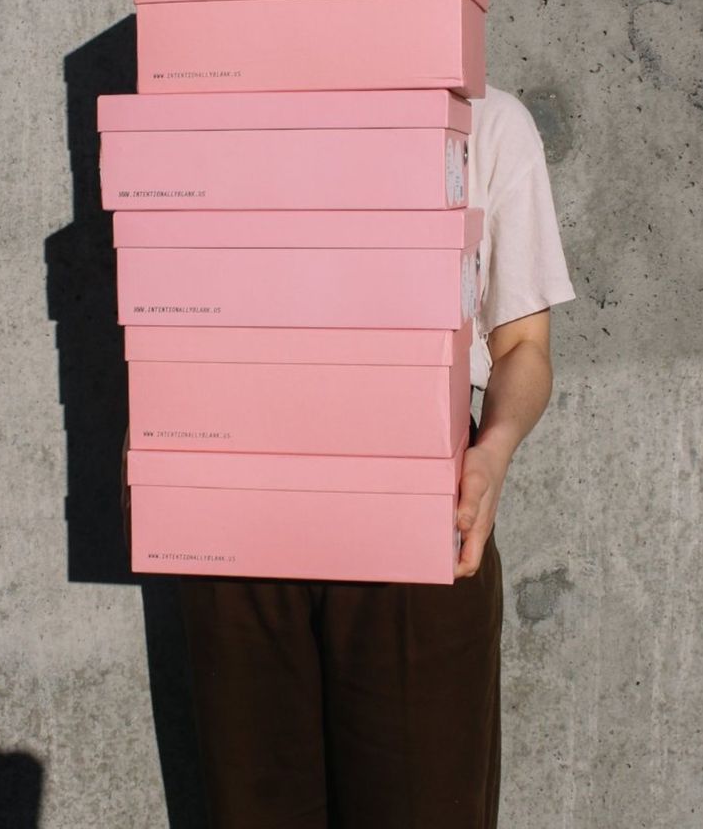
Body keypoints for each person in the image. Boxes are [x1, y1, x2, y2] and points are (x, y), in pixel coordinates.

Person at [122, 83, 576, 828]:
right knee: (253, 808)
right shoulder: (218, 114)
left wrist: (492, 452)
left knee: (424, 807)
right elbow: (165, 304)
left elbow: (524, 348)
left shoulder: (487, 119)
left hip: (421, 520)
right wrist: (149, 449)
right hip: (236, 522)